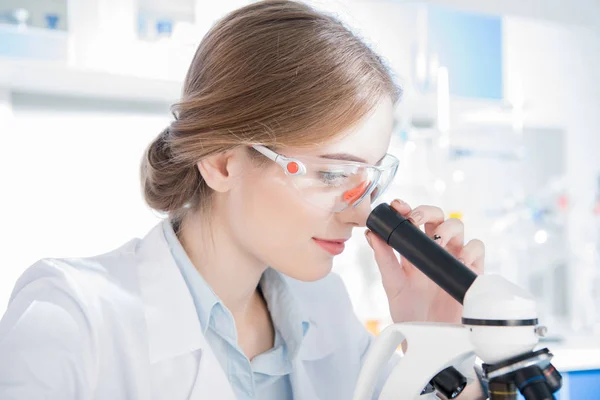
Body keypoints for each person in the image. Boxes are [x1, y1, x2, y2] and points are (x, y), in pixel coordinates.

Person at [0, 1, 486, 399]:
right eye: (332, 172)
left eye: (370, 177)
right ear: (221, 162)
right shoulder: (70, 316)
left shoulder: (325, 310)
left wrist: (434, 344)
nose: (361, 212)